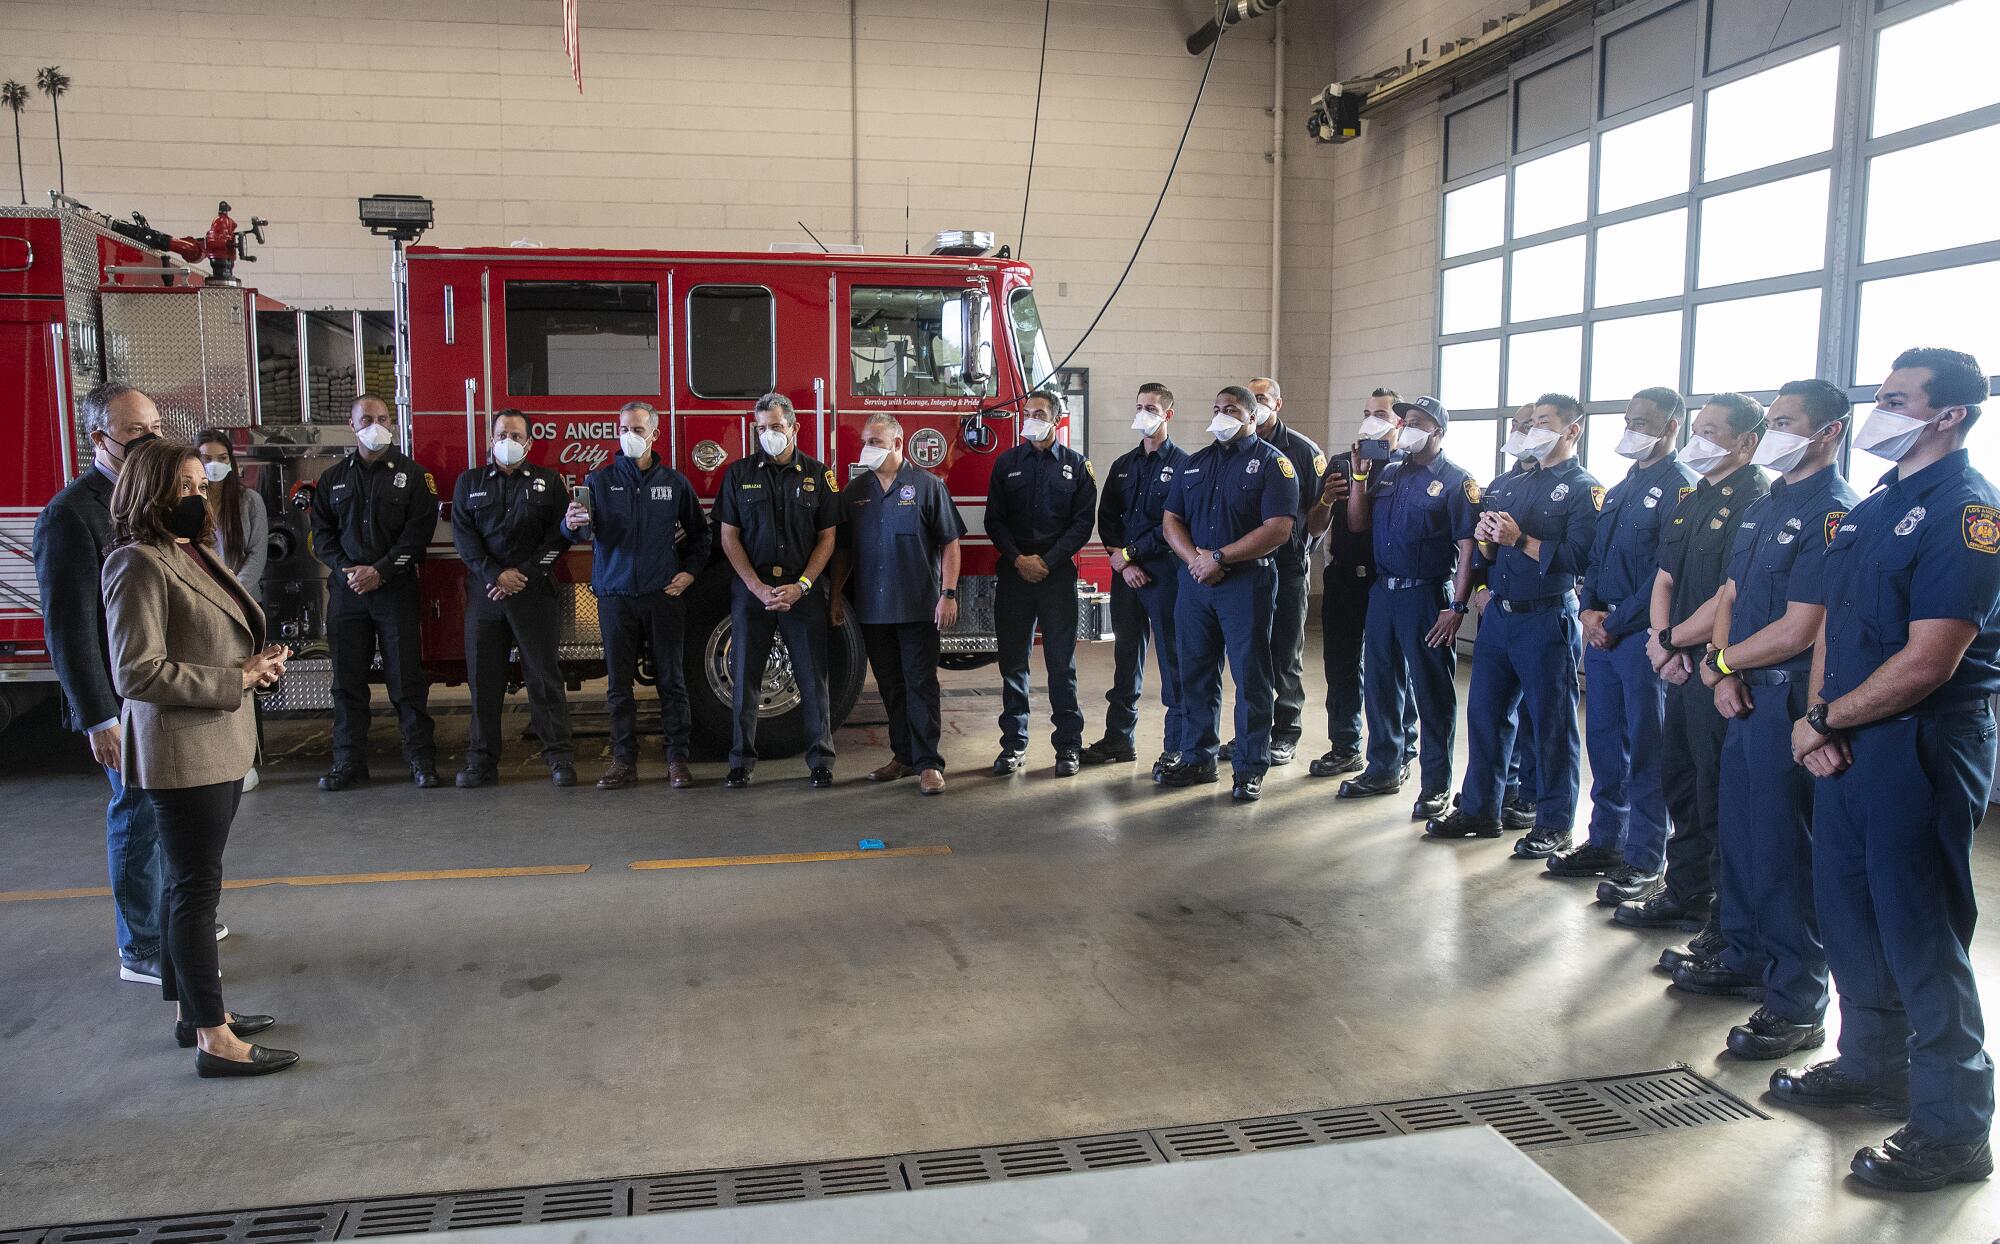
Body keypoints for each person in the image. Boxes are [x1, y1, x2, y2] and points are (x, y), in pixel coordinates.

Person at [1773, 347, 1998, 1192]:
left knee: (1920, 929)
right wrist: (1818, 716)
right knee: (1850, 911)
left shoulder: (1967, 511)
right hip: (1846, 736)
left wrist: (1829, 716)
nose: (1881, 410)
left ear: (1949, 415)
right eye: (1880, 396)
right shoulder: (1878, 503)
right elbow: (1835, 622)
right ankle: (1872, 1065)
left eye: (1899, 399)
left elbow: (1931, 658)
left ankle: (1953, 1128)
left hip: (1921, 744)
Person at [101, 439, 295, 1077]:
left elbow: (222, 640)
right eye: (182, 485)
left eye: (198, 484)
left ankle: (195, 1013)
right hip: (183, 750)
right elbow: (137, 672)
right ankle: (215, 1039)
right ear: (147, 493)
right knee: (193, 890)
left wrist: (257, 668)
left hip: (217, 743)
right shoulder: (136, 563)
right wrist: (234, 679)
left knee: (191, 883)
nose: (197, 494)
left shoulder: (192, 552)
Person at [1678, 379, 1857, 1057]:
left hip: (1782, 694)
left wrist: (1724, 666)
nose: (1774, 432)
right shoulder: (1766, 503)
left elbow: (1802, 627)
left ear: (1828, 433)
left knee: (1785, 851)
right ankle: (1745, 957)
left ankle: (1797, 1001)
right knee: (1744, 840)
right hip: (1744, 689)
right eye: (1772, 419)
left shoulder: (1832, 512)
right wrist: (1723, 662)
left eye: (1787, 422)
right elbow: (1730, 592)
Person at [32, 382, 171, 985]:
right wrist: (99, 718)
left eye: (157, 429)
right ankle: (140, 945)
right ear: (100, 439)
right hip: (119, 702)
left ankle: (166, 918)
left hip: (157, 692)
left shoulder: (147, 500)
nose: (152, 442)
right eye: (138, 434)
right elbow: (69, 630)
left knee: (165, 813)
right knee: (136, 814)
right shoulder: (72, 514)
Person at [1616, 393, 1769, 935]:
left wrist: (1675, 641)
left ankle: (1721, 915)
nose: (1701, 440)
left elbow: (1730, 595)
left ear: (1747, 441)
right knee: (1679, 779)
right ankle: (1683, 890)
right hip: (1679, 663)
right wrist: (1662, 642)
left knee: (1716, 794)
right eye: (1698, 430)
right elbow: (1665, 578)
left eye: (1714, 432)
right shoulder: (1690, 497)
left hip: (1718, 670)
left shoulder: (1755, 499)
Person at [1425, 394, 1600, 858]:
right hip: (1499, 616)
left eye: (1544, 422)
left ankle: (1555, 821)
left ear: (1572, 430)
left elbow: (1579, 558)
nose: (1531, 430)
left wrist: (1518, 538)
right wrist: (1485, 554)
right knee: (1485, 714)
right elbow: (1488, 553)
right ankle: (1481, 808)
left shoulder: (1583, 489)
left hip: (1546, 616)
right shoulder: (1507, 483)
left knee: (1552, 724)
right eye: (1528, 423)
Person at [1555, 388, 1694, 899]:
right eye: (1628, 420)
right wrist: (1588, 608)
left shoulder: (1682, 489)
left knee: (1646, 750)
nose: (1632, 428)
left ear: (1672, 425)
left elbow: (1666, 574)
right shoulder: (1620, 488)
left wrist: (1615, 620)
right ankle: (1604, 841)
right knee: (1605, 744)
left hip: (1640, 638)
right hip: (1602, 634)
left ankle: (1644, 857)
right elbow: (1596, 559)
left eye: (1644, 421)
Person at [1337, 395, 1479, 819]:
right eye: (1406, 420)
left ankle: (1435, 784)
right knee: (1380, 684)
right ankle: (1383, 767)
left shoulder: (1456, 481)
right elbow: (1358, 523)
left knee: (1432, 693)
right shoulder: (1390, 474)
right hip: (1384, 592)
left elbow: (1468, 549)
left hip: (1426, 594)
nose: (1408, 426)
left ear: (1438, 430)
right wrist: (1359, 477)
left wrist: (1456, 606)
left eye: (1418, 421)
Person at [1157, 386, 1300, 802]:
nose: (1222, 415)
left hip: (1246, 585)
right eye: (1217, 408)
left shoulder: (1275, 465)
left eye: (1232, 410)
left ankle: (1250, 766)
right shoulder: (1195, 464)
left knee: (1250, 679)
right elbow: (1171, 522)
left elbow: (1278, 529)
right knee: (1195, 675)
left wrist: (1220, 556)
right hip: (1196, 584)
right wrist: (1197, 561)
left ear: (1253, 417)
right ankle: (1198, 758)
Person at [562, 401, 710, 790]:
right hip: (615, 598)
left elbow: (701, 535)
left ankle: (677, 759)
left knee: (672, 682)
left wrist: (688, 574)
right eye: (624, 429)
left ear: (654, 435)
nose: (630, 436)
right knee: (618, 687)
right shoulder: (598, 481)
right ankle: (623, 763)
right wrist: (570, 523)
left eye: (638, 430)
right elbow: (577, 534)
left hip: (662, 596)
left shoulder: (675, 483)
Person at [307, 394, 440, 791]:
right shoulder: (333, 479)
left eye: (383, 418)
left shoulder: (415, 476)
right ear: (352, 425)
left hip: (394, 590)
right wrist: (350, 571)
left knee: (406, 681)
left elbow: (417, 537)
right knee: (347, 684)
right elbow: (322, 535)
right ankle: (348, 763)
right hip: (348, 593)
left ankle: (421, 760)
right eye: (367, 418)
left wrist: (380, 572)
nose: (376, 424)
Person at [831, 414, 965, 797]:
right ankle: (903, 757)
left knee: (920, 684)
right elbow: (843, 550)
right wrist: (837, 595)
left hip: (919, 608)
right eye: (865, 440)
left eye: (876, 440)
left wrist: (949, 593)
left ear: (897, 444)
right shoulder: (856, 491)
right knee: (891, 687)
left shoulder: (927, 486)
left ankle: (928, 764)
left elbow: (949, 543)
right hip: (873, 610)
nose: (867, 447)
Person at [714, 393, 841, 789]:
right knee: (744, 679)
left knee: (812, 679)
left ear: (794, 428)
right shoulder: (738, 474)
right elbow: (728, 537)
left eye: (776, 426)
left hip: (799, 590)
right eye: (762, 428)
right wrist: (755, 586)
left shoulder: (820, 475)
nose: (768, 434)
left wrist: (802, 586)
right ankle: (740, 763)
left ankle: (820, 760)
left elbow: (828, 538)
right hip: (753, 592)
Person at [450, 410, 577, 789]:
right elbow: (464, 538)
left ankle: (559, 758)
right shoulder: (468, 482)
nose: (509, 440)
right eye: (502, 433)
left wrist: (522, 575)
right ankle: (481, 762)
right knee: (483, 683)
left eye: (516, 435)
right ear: (490, 440)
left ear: (529, 443)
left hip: (533, 594)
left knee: (543, 680)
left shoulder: (549, 481)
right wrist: (495, 575)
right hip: (486, 597)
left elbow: (561, 537)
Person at [986, 389, 1097, 777]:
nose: (1029, 418)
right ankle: (1013, 746)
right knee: (1013, 664)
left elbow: (1082, 525)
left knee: (1060, 666)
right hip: (1015, 575)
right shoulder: (1006, 464)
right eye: (1026, 412)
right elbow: (994, 520)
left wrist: (1045, 561)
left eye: (1038, 413)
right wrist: (1019, 559)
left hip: (1056, 576)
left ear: (1056, 419)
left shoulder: (1078, 467)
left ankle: (1068, 747)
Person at [1303, 388, 1414, 779]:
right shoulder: (1340, 463)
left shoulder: (1407, 466)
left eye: (1381, 414)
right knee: (1341, 664)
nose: (1371, 420)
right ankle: (1345, 746)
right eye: (1367, 412)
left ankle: (1401, 748)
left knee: (1392, 668)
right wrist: (1327, 501)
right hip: (1345, 576)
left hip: (1389, 580)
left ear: (1399, 422)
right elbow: (1316, 528)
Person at [1081, 383, 1189, 779]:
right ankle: (1119, 739)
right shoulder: (1124, 465)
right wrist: (1122, 563)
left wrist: (1131, 555)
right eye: (1140, 406)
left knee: (1173, 661)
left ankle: (1177, 745)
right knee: (1126, 658)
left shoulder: (1183, 466)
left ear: (1168, 415)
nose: (1144, 413)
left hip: (1165, 575)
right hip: (1126, 576)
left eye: (1152, 407)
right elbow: (1107, 516)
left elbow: (1175, 524)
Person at [1237, 376, 1323, 767]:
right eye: (1249, 398)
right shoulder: (1236, 448)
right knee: (1249, 654)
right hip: (1245, 568)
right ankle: (1251, 733)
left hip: (1287, 567)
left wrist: (1301, 553)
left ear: (1278, 403)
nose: (1255, 405)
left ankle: (1285, 733)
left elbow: (1319, 517)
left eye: (1260, 398)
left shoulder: (1304, 452)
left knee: (1285, 653)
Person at [196, 430, 270, 794]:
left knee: (246, 683)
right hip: (201, 607)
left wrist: (235, 593)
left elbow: (257, 553)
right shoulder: (187, 502)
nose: (215, 465)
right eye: (208, 457)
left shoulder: (249, 501)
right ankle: (214, 760)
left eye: (223, 458)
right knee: (213, 685)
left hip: (242, 606)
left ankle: (247, 762)